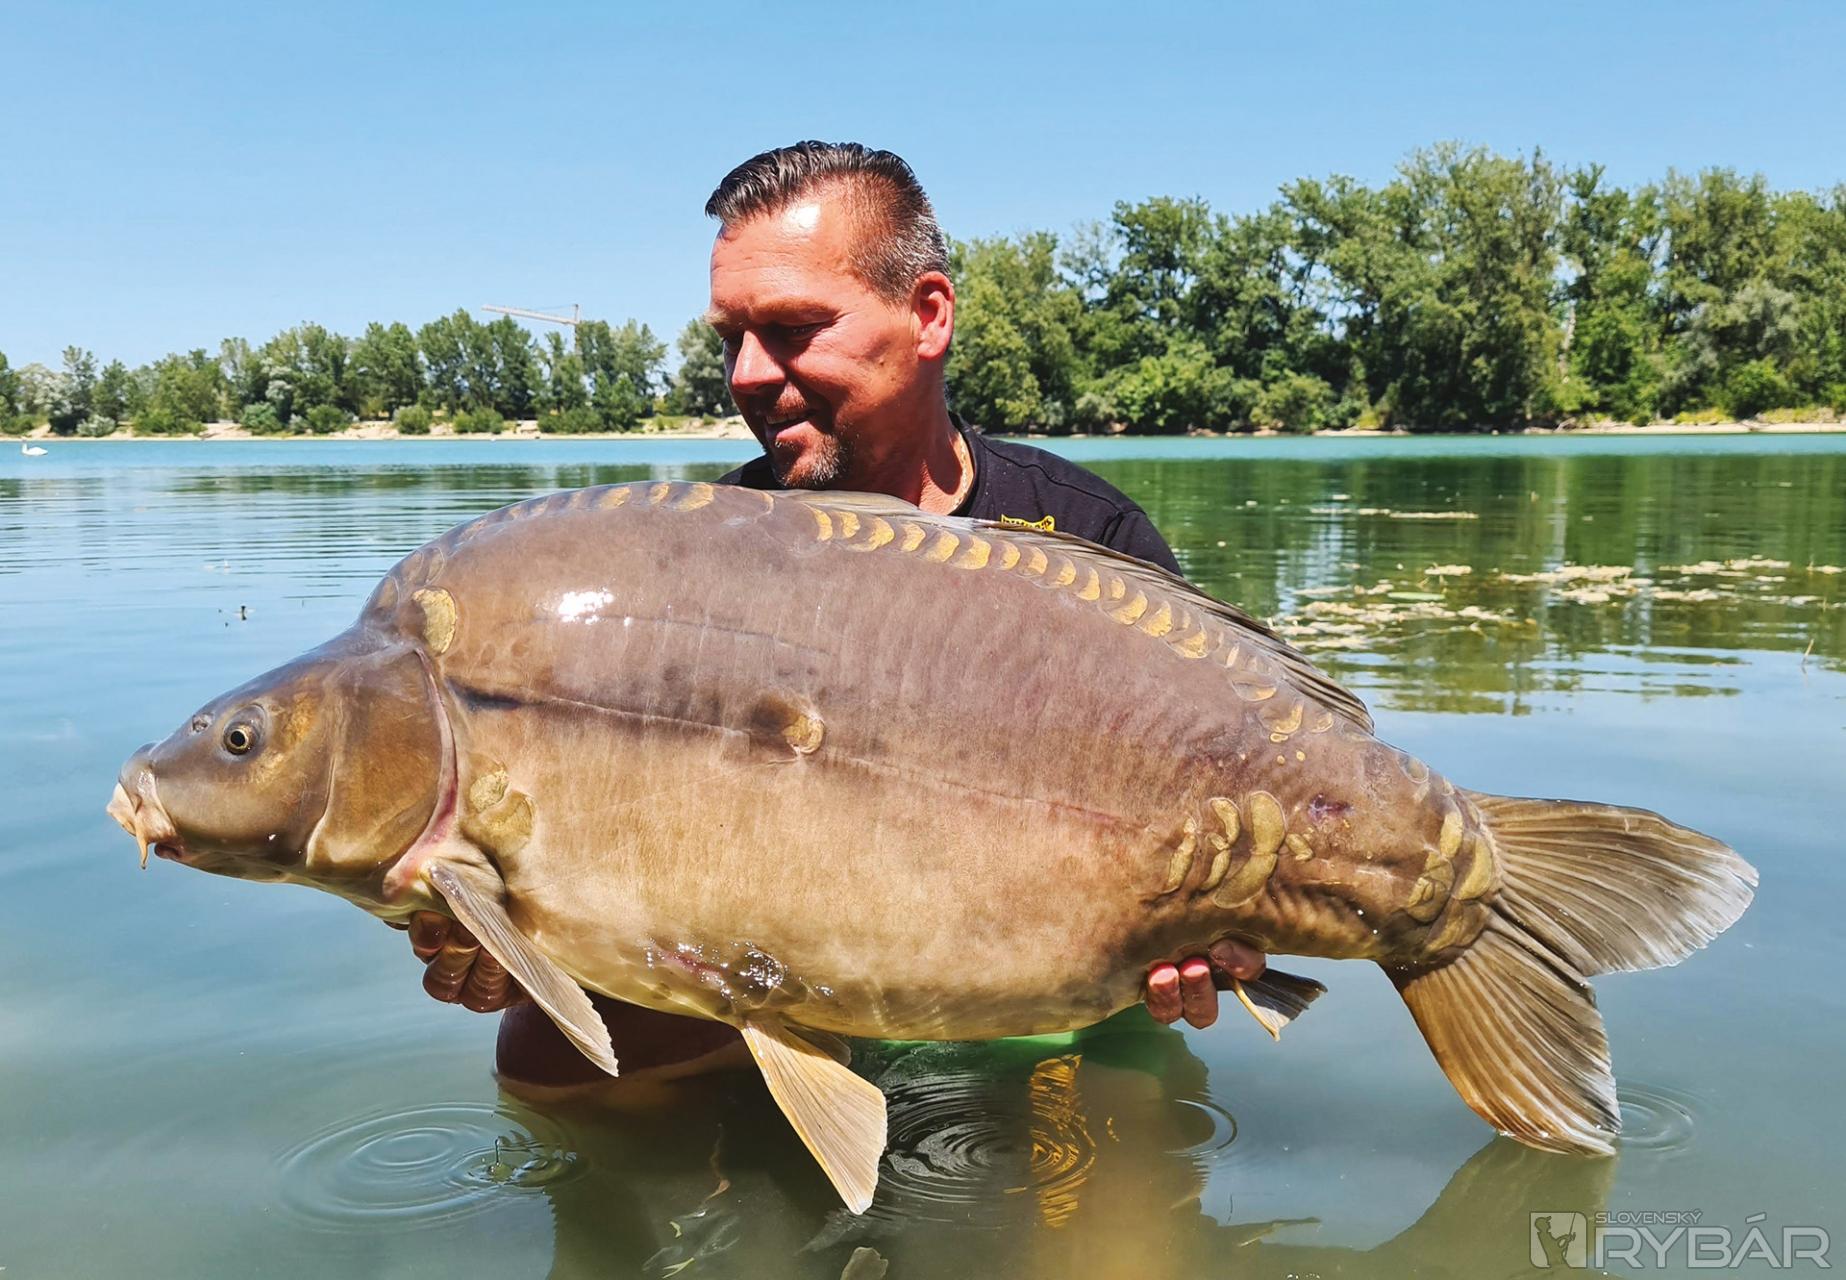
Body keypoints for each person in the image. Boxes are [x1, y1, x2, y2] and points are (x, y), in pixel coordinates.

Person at [406, 142, 1267, 1092]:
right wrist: (520, 940)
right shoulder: (689, 560)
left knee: (1106, 1136)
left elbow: (1228, 789)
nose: (746, 373)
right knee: (541, 1061)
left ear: (927, 314)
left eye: (791, 329)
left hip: (1026, 987)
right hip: (776, 965)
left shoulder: (1089, 539)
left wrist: (1218, 931)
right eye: (730, 338)